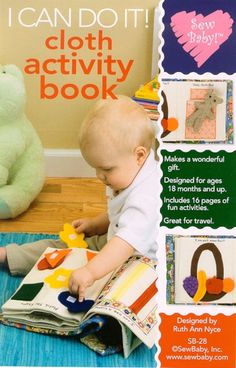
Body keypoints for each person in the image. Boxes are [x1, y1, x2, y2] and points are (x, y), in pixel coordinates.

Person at [0, 96, 158, 302]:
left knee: (104, 292)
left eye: (106, 169)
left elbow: (124, 244)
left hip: (140, 265)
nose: (99, 176)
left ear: (139, 155)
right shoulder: (128, 174)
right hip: (115, 245)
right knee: (62, 247)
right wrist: (96, 223)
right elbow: (121, 214)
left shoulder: (147, 197)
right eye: (95, 168)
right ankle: (8, 255)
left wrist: (90, 272)